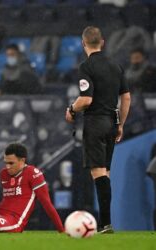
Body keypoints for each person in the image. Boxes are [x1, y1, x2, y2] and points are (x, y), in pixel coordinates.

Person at [65, 26, 131, 233]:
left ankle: (105, 223)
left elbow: (86, 99)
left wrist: (71, 109)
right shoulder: (116, 66)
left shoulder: (86, 66)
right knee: (105, 173)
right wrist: (121, 124)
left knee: (98, 173)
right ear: (102, 42)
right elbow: (126, 97)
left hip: (95, 122)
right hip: (112, 121)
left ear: (83, 43)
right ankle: (105, 223)